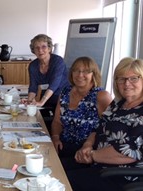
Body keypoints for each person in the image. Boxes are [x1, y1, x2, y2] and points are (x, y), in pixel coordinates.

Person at [66, 57, 143, 191]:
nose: (127, 83)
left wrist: (92, 155)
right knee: (53, 167)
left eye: (134, 78)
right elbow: (98, 128)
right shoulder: (118, 104)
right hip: (96, 162)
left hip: (120, 175)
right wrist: (87, 145)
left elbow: (129, 152)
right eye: (121, 79)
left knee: (59, 180)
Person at [50, 57, 112, 170]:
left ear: (94, 74)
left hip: (87, 150)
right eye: (76, 70)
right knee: (41, 159)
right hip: (64, 145)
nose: (80, 74)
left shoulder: (101, 96)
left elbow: (108, 128)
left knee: (54, 169)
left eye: (86, 71)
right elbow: (57, 121)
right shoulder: (65, 92)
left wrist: (88, 146)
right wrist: (55, 137)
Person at [24, 34, 70, 108]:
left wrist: (41, 102)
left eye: (43, 47)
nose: (40, 50)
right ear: (33, 51)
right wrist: (29, 101)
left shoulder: (58, 61)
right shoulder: (33, 65)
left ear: (49, 48)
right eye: (37, 48)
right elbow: (33, 86)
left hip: (64, 97)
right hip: (47, 97)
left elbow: (54, 85)